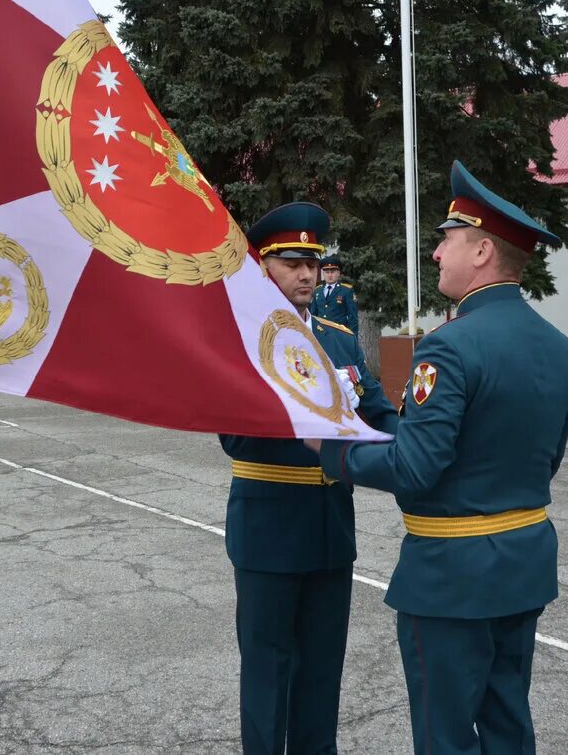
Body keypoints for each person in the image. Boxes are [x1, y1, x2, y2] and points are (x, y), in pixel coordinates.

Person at [307, 161, 568, 755]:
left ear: (482, 251)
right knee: (508, 724)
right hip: (524, 563)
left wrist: (331, 451)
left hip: (453, 576)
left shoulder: (450, 347)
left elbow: (414, 468)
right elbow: (546, 460)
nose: (436, 254)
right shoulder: (560, 348)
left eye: (446, 240)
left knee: (445, 736)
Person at [221, 201, 400, 754]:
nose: (306, 274)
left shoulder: (339, 339)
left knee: (323, 674)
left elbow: (380, 415)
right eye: (292, 262)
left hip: (329, 529)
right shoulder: (242, 341)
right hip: (269, 526)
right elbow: (235, 437)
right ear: (265, 267)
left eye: (313, 262)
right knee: (268, 671)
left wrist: (424, 443)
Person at [309, 255, 358, 333]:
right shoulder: (317, 290)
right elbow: (313, 315)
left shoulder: (346, 290)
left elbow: (353, 318)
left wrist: (351, 340)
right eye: (327, 272)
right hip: (320, 334)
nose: (329, 275)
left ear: (338, 273)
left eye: (332, 272)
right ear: (323, 273)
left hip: (339, 334)